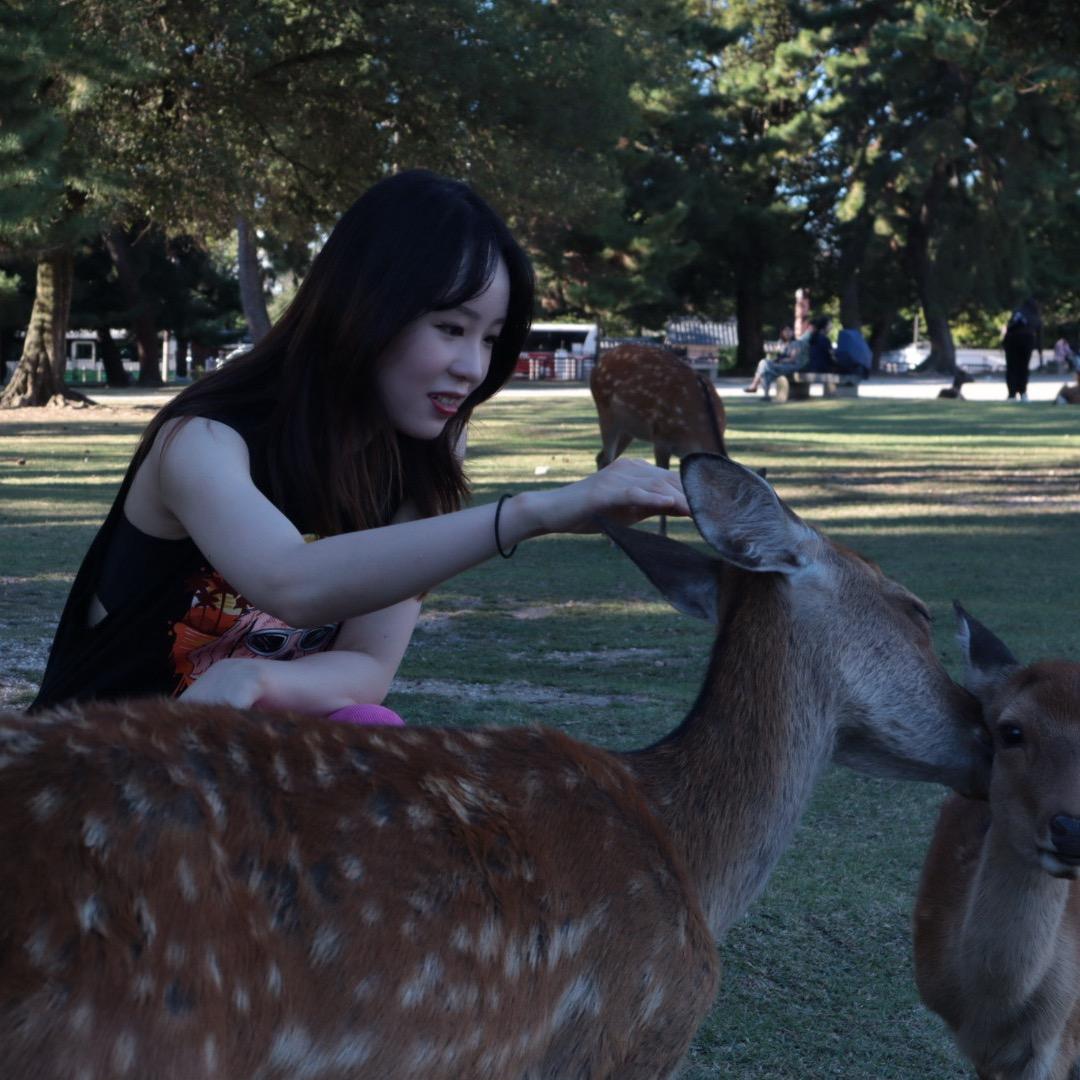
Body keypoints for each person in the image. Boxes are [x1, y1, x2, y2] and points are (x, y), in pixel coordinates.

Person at [31, 170, 687, 718]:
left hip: (226, 779)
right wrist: (534, 512)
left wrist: (256, 681)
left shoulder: (418, 469)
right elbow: (290, 582)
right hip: (87, 788)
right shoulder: (202, 440)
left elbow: (369, 666)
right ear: (366, 308)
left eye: (489, 339)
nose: (473, 367)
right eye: (451, 328)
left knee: (368, 725)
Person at [743, 325, 810, 398]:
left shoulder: (796, 343)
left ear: (792, 332)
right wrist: (775, 357)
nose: (787, 333)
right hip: (780, 365)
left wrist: (779, 360)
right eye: (785, 330)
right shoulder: (780, 343)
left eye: (789, 330)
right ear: (782, 332)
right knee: (765, 370)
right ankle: (766, 396)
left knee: (763, 365)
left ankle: (754, 386)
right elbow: (775, 356)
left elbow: (792, 359)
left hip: (792, 366)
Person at [1002, 298, 1042, 401]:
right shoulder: (1035, 315)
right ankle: (1023, 392)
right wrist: (1039, 351)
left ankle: (1012, 394)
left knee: (1012, 368)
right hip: (1027, 342)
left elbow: (1010, 326)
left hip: (1012, 341)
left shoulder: (1018, 312)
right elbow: (1039, 332)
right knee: (1023, 368)